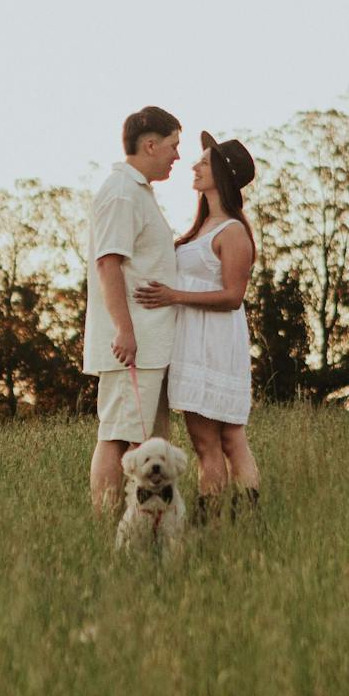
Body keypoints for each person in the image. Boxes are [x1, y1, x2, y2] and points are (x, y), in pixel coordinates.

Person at [135, 131, 260, 518]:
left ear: (221, 173)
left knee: (227, 439)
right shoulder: (200, 229)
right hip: (192, 341)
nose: (194, 165)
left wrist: (175, 296)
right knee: (206, 440)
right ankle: (218, 520)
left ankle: (235, 520)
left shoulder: (233, 231)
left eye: (203, 162)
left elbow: (233, 296)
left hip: (217, 343)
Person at [85, 106, 184, 514]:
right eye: (174, 145)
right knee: (117, 436)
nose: (177, 156)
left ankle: (149, 531)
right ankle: (108, 528)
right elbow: (109, 263)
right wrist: (124, 331)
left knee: (144, 440)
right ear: (150, 144)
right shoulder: (121, 192)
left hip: (150, 344)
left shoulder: (138, 191)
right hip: (133, 344)